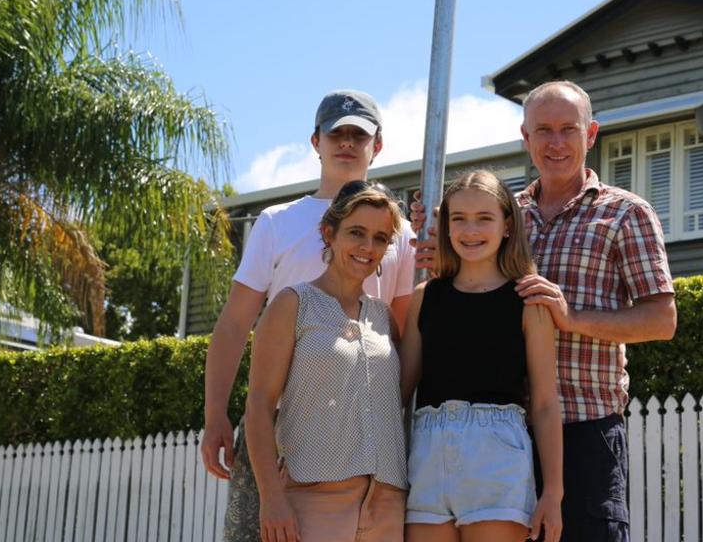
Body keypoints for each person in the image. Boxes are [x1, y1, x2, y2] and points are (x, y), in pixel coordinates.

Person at [414, 81, 676, 542]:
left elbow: (661, 320)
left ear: (590, 134)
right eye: (544, 130)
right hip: (500, 434)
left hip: (584, 428)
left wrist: (570, 317)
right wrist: (440, 241)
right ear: (525, 137)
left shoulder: (625, 213)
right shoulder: (502, 213)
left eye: (567, 130)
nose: (556, 143)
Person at [202, 90, 416, 542]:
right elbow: (235, 324)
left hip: (359, 440)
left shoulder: (399, 234)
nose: (347, 143)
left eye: (359, 135)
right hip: (276, 422)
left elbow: (404, 335)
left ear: (376, 147)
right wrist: (214, 412)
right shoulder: (276, 222)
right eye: (336, 133)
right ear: (315, 141)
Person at [400, 171, 564, 542]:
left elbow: (543, 404)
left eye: (484, 218)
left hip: (497, 458)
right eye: (458, 219)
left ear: (507, 226)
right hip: (427, 458)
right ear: (446, 227)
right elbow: (398, 393)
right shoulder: (426, 297)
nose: (470, 230)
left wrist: (553, 491)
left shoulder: (528, 301)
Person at [246, 181, 409, 542]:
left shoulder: (385, 319)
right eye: (356, 233)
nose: (368, 247)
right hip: (312, 502)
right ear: (328, 232)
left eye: (380, 238)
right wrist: (272, 498)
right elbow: (258, 406)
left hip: (388, 508)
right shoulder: (292, 305)